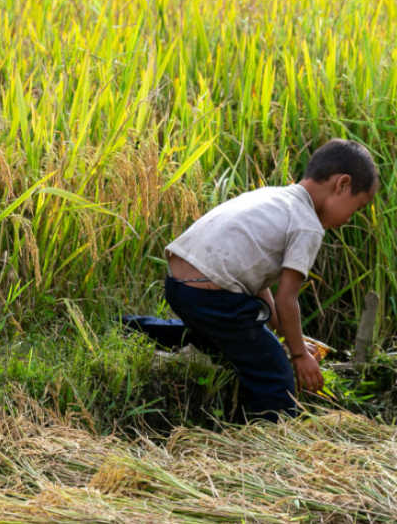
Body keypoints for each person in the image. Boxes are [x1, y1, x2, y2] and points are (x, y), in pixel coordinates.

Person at [161, 139, 378, 422]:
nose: (350, 219)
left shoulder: (273, 196)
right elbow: (287, 300)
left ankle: (133, 328)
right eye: (357, 207)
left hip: (180, 286)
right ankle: (268, 440)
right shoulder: (307, 225)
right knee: (275, 373)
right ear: (342, 184)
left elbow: (256, 279)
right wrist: (299, 356)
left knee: (224, 341)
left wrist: (289, 337)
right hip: (212, 295)